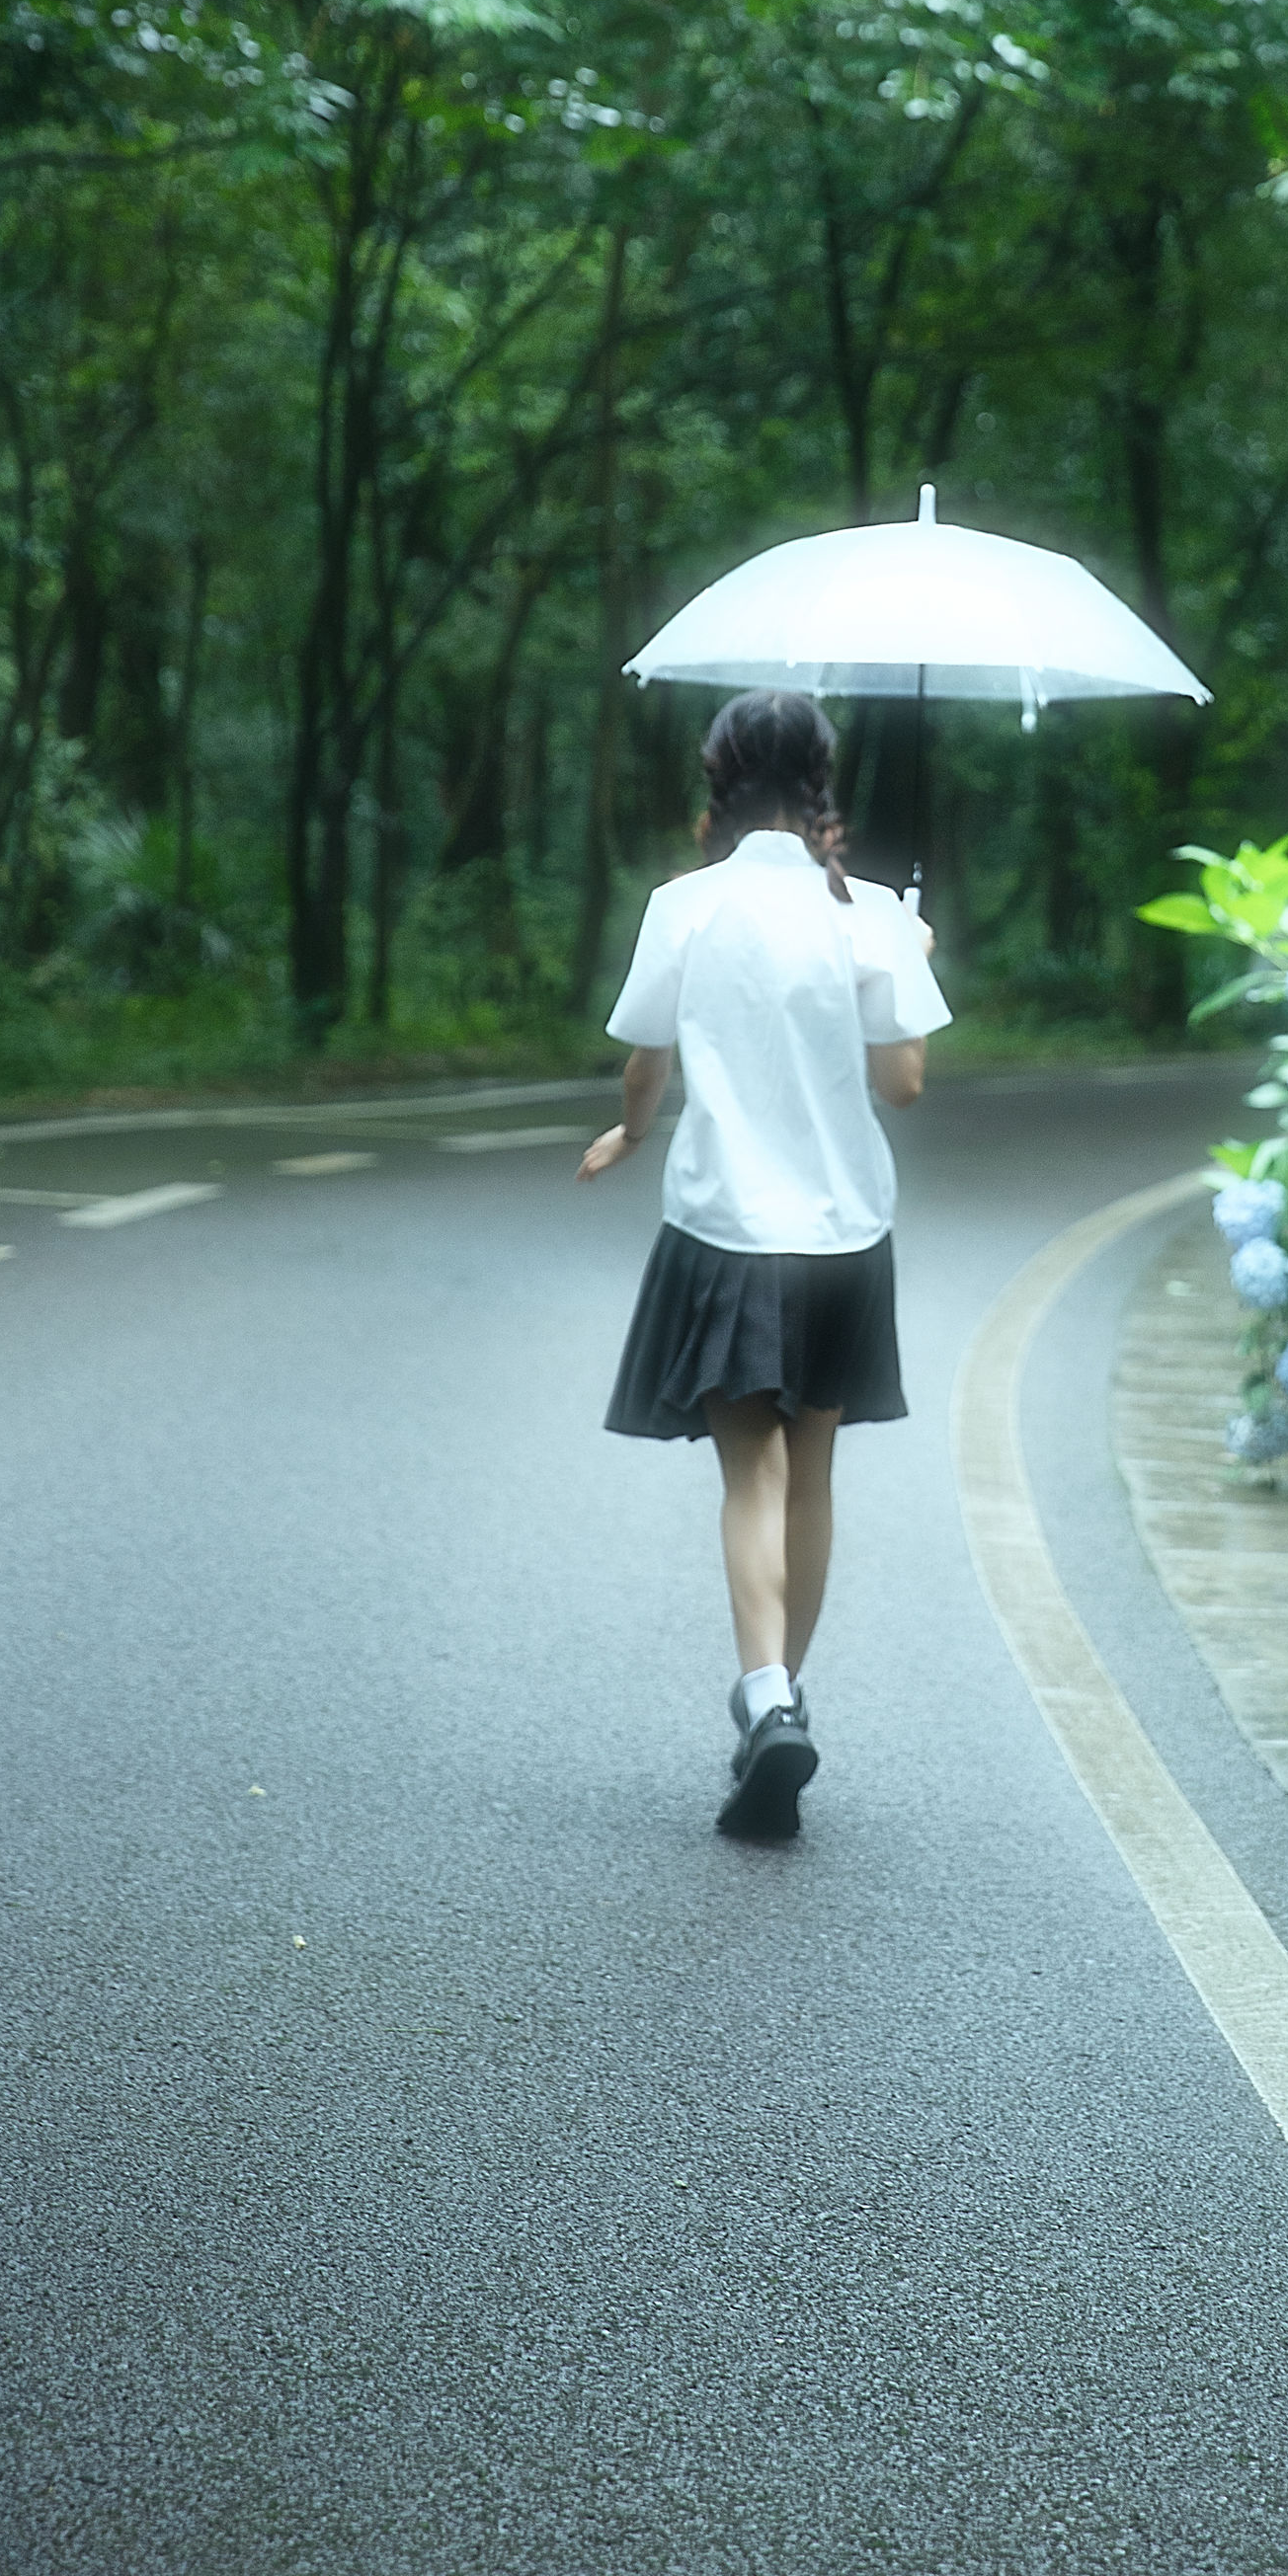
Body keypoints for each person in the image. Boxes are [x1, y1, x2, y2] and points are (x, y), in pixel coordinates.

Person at [580, 688, 950, 1840]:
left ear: (721, 777)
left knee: (753, 1478)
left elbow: (648, 1059)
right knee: (816, 1472)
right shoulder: (870, 912)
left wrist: (632, 1133)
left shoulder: (686, 904)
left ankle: (767, 1699)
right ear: (820, 779)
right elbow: (905, 1085)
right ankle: (783, 1698)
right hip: (844, 1231)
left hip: (728, 1223)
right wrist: (913, 952)